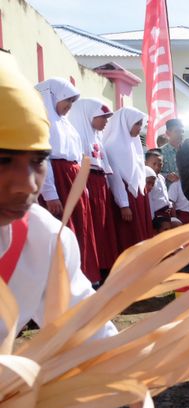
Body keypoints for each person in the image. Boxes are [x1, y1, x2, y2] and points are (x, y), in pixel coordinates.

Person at [0, 54, 172, 408]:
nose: (25, 184)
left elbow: (86, 324)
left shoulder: (40, 237)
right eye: (2, 161)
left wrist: (141, 402)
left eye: (36, 161)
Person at [34, 77, 100, 283]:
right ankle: (59, 284)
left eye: (72, 102)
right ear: (53, 96)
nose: (69, 106)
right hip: (58, 181)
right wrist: (50, 193)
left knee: (80, 231)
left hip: (72, 182)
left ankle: (79, 278)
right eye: (67, 100)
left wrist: (83, 186)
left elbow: (77, 158)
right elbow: (42, 158)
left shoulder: (67, 125)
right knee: (62, 232)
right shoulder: (44, 122)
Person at [68, 97, 120, 278]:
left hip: (99, 186)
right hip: (87, 183)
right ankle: (91, 271)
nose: (106, 121)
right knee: (90, 229)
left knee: (102, 229)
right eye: (103, 117)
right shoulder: (77, 135)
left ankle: (103, 266)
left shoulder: (96, 137)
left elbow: (103, 165)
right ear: (89, 115)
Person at [103, 106, 154, 252]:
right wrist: (124, 204)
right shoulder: (111, 146)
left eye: (141, 124)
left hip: (137, 196)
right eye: (137, 123)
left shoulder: (135, 143)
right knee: (128, 237)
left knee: (141, 236)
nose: (140, 128)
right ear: (125, 122)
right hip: (126, 198)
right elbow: (115, 178)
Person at [160, 118, 183, 187]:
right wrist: (167, 176)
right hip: (168, 194)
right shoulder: (160, 152)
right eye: (177, 131)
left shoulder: (188, 152)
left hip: (186, 194)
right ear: (168, 133)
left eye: (182, 131)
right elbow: (153, 173)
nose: (180, 134)